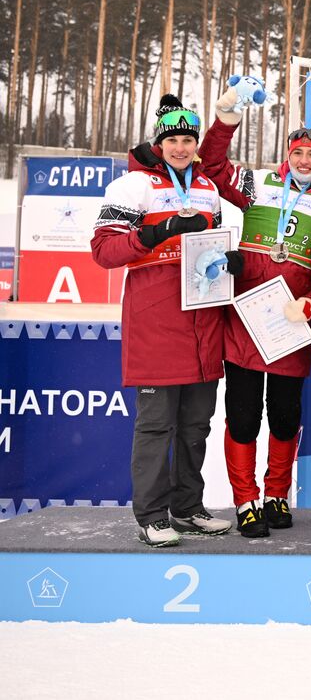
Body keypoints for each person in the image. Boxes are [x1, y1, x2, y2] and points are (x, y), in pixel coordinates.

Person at [91, 94, 234, 546]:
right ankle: (152, 516)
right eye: (173, 140)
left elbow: (213, 244)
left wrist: (227, 261)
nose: (181, 147)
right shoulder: (134, 185)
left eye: (188, 140)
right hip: (155, 320)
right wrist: (155, 233)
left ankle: (187, 508)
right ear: (159, 143)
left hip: (202, 320)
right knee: (156, 427)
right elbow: (104, 251)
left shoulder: (208, 187)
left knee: (196, 426)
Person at [199, 84, 311, 537]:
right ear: (288, 155)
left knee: (284, 415)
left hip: (291, 322)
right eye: (298, 153)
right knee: (243, 416)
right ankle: (245, 501)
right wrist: (226, 119)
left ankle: (277, 494)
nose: (304, 161)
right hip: (246, 318)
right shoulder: (259, 184)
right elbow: (212, 166)